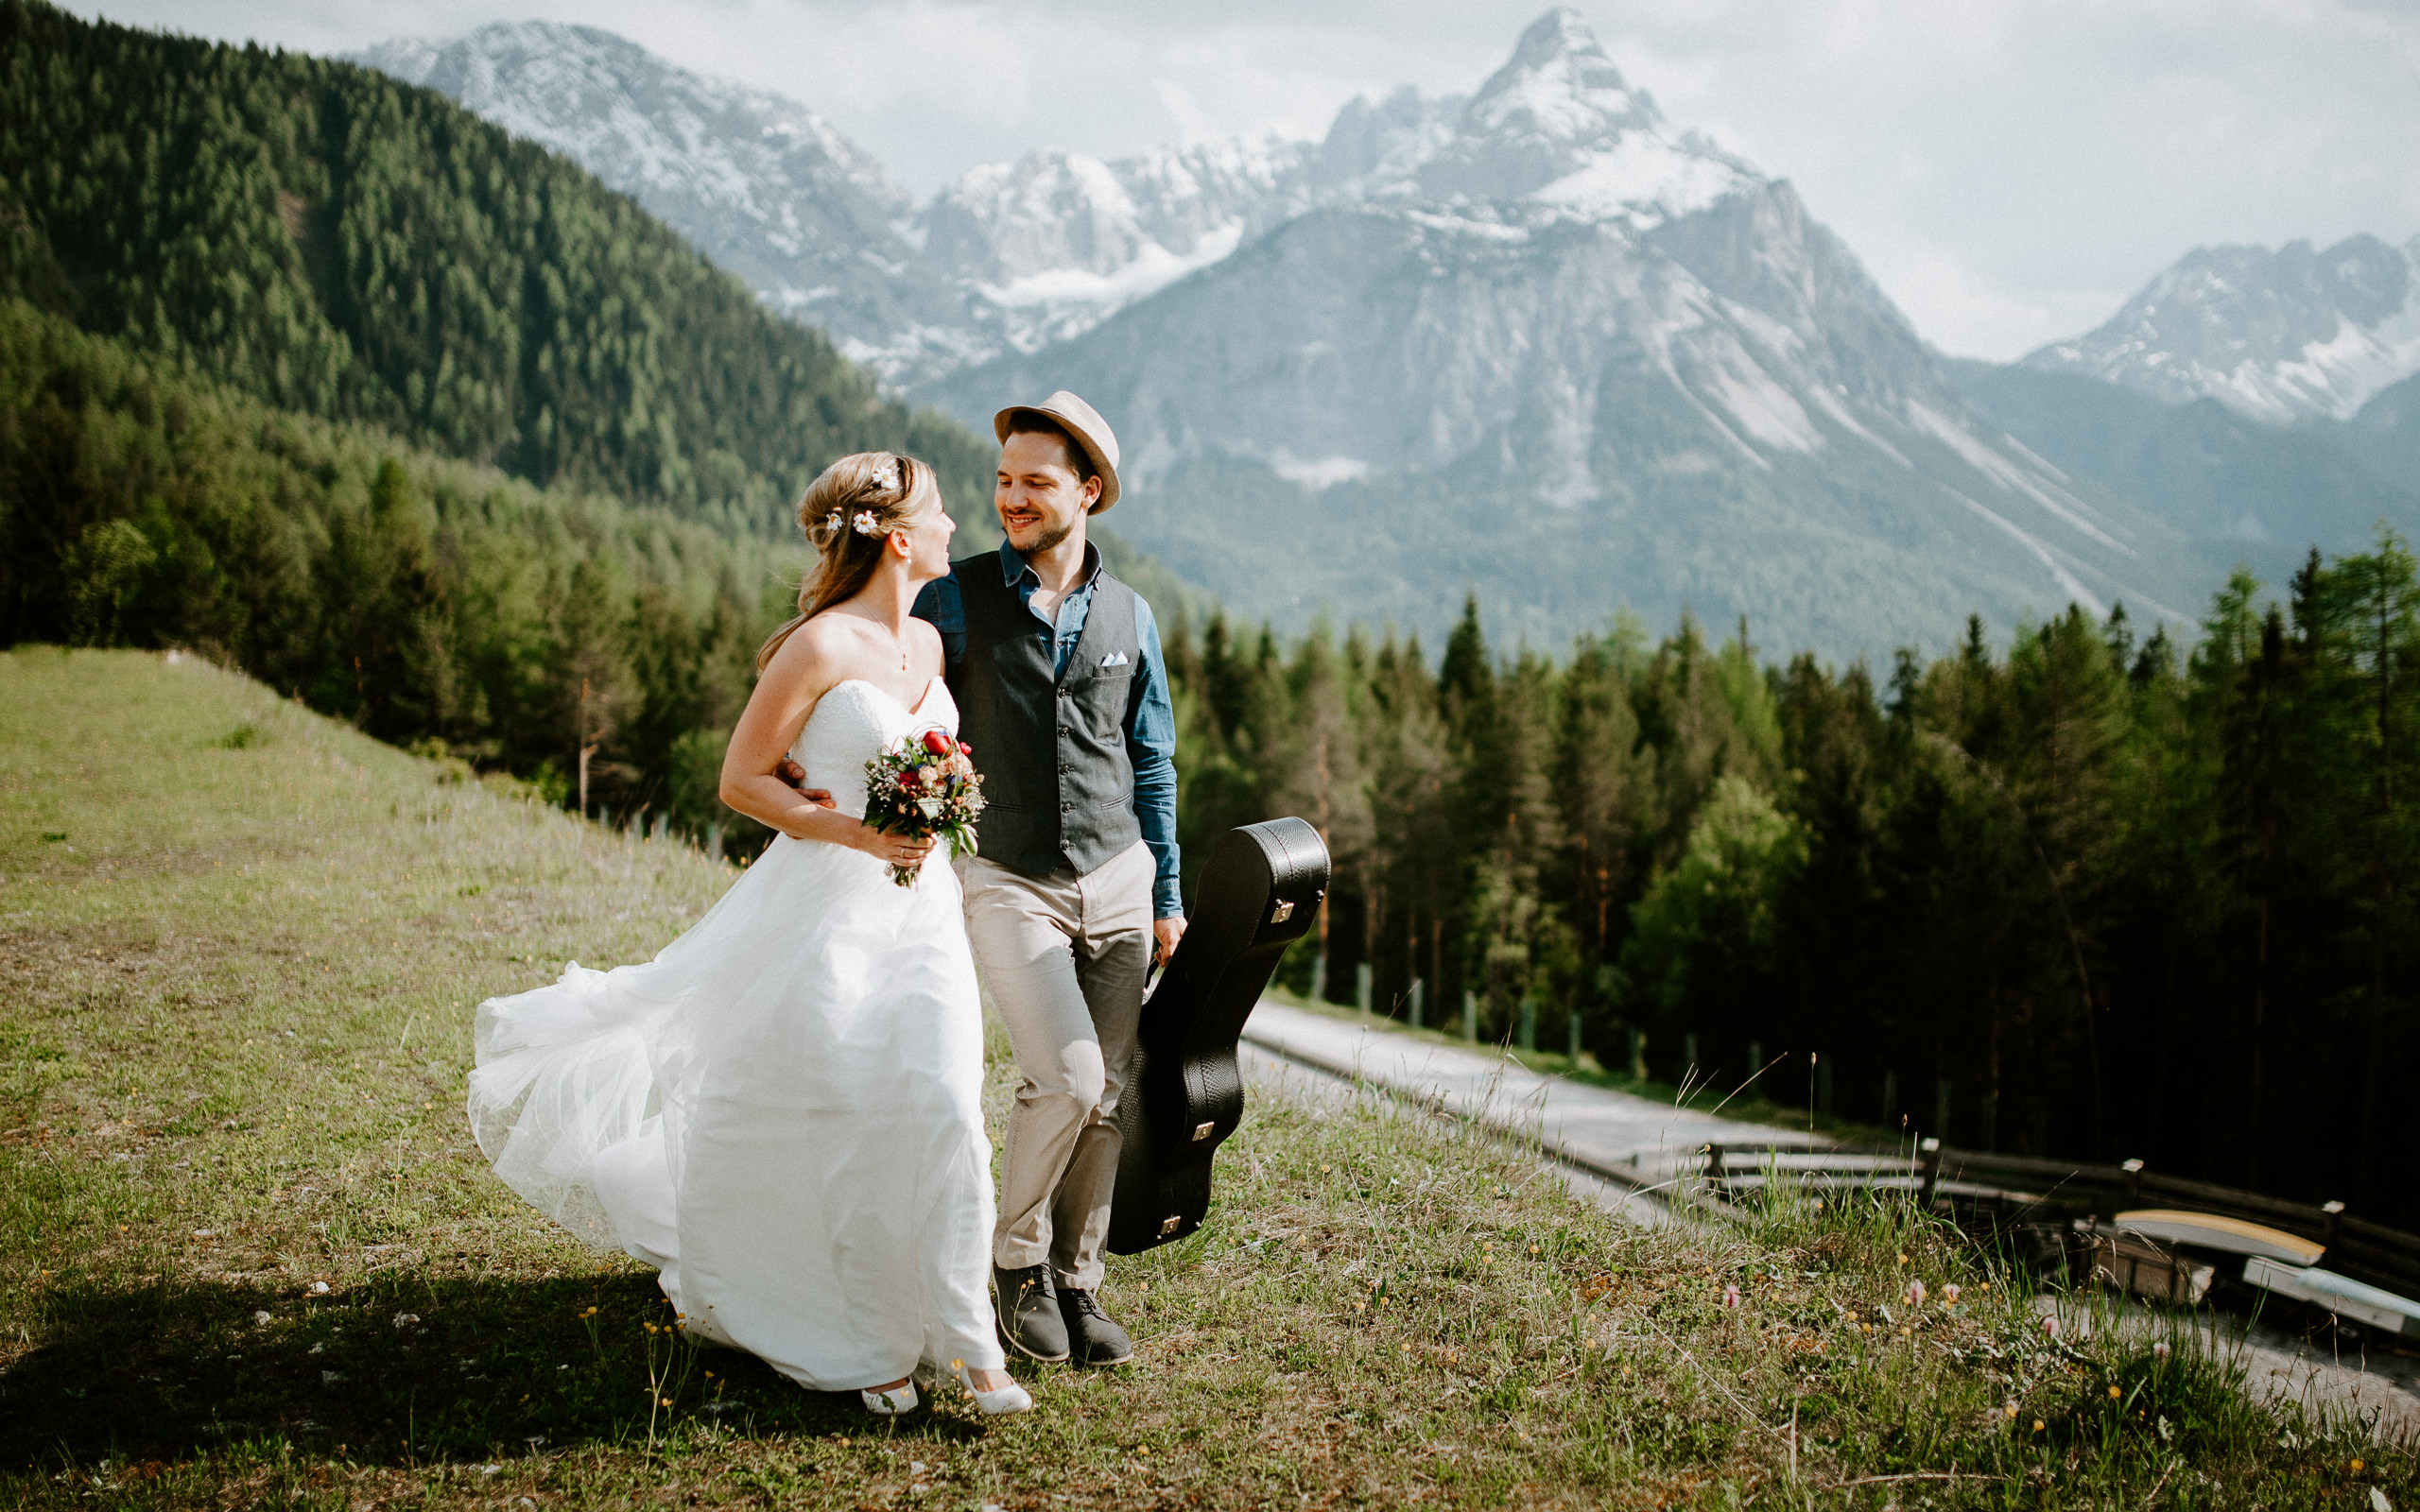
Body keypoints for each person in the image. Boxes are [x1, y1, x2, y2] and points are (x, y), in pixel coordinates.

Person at [465, 452, 1030, 1417]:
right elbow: (742, 781)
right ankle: (866, 1343)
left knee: (944, 1106)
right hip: (830, 913)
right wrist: (859, 833)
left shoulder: (931, 647)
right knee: (846, 1115)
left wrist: (941, 809)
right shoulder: (816, 646)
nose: (953, 524)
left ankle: (971, 1342)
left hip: (923, 915)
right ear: (898, 540)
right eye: (937, 512)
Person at [912, 391, 1185, 1367]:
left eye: (1034, 481)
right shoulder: (952, 599)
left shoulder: (1132, 614)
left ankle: (1077, 1278)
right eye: (1002, 481)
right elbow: (898, 704)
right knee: (1065, 1077)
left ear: (1088, 492)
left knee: (1109, 1091)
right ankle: (1016, 1262)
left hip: (1118, 875)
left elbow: (1152, 763)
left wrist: (1166, 895)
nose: (1011, 498)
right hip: (1007, 873)